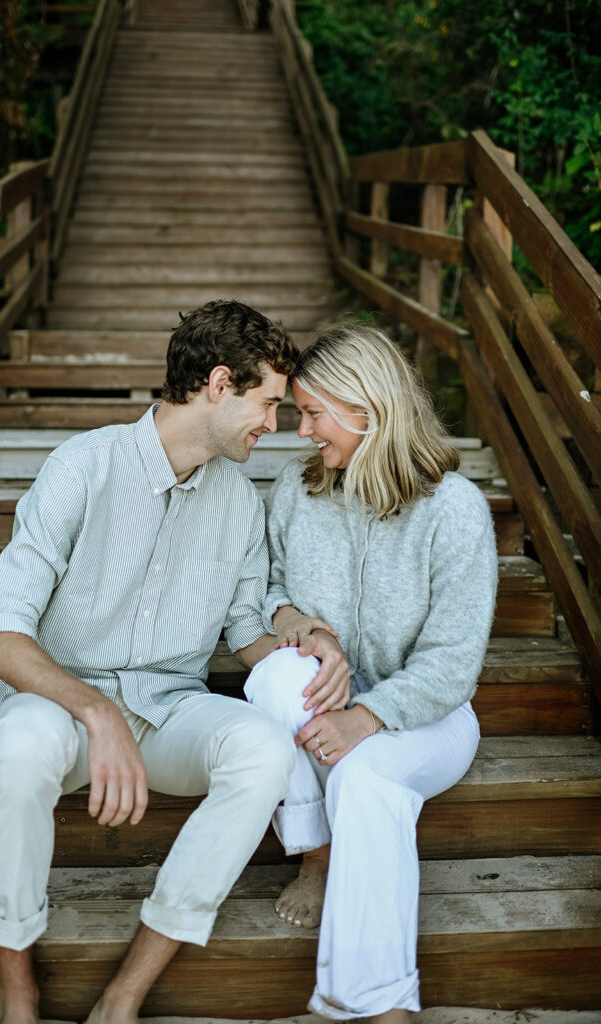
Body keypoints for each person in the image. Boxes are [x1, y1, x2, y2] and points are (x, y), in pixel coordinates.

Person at [0, 299, 331, 1024]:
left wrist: (304, 640)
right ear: (220, 383)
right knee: (16, 744)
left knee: (259, 750)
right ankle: (16, 985)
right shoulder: (82, 467)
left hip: (168, 711)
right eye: (268, 404)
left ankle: (126, 991)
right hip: (60, 710)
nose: (275, 425)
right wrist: (95, 710)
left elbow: (245, 634)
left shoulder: (239, 499)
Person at [244, 323, 498, 1023]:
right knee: (269, 679)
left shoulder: (454, 511)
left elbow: (452, 663)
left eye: (313, 413)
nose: (301, 431)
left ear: (367, 408)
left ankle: (379, 1003)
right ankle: (316, 851)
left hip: (431, 720)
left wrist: (369, 718)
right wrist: (299, 624)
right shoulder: (298, 491)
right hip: (330, 700)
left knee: (367, 773)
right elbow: (265, 588)